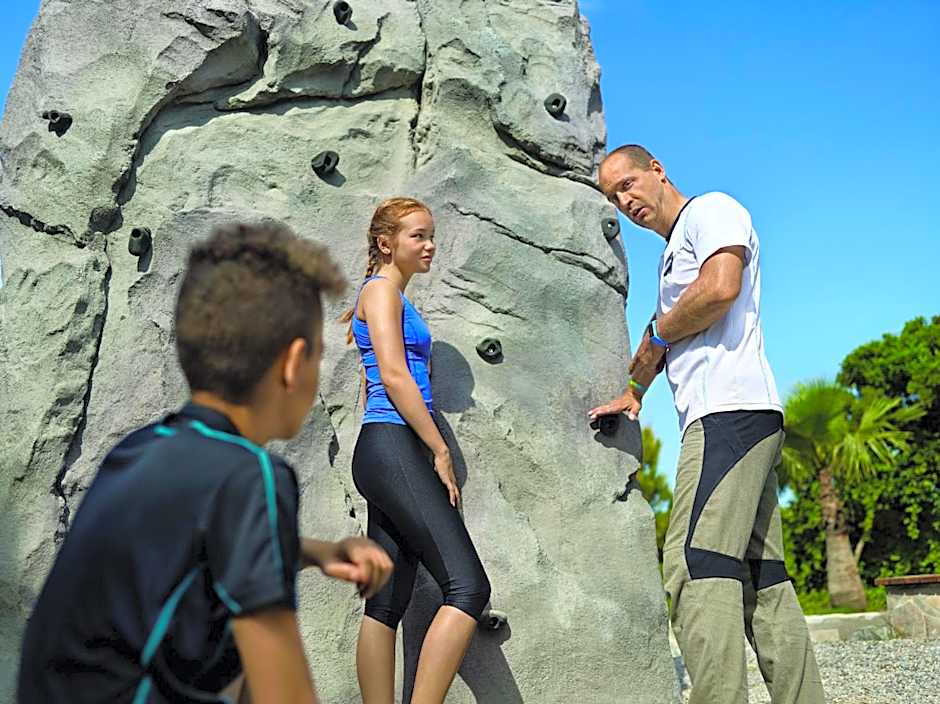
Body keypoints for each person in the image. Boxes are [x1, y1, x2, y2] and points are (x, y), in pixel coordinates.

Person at [18, 223, 393, 704]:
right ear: (293, 363)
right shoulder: (253, 476)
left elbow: (187, 548)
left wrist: (317, 553)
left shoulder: (141, 449)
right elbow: (286, 692)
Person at [590, 145, 825, 704]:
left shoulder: (711, 210)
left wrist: (660, 334)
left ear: (657, 170)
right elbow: (670, 331)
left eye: (628, 184)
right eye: (613, 196)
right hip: (741, 415)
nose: (625, 201)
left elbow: (719, 288)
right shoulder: (672, 254)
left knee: (694, 564)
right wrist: (635, 390)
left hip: (728, 414)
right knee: (763, 577)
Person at [340, 197, 491, 704]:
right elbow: (394, 375)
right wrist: (439, 449)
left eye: (431, 235)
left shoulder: (389, 296)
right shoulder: (381, 291)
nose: (430, 245)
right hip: (392, 445)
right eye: (418, 236)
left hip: (385, 449)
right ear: (387, 243)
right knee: (468, 588)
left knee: (386, 601)